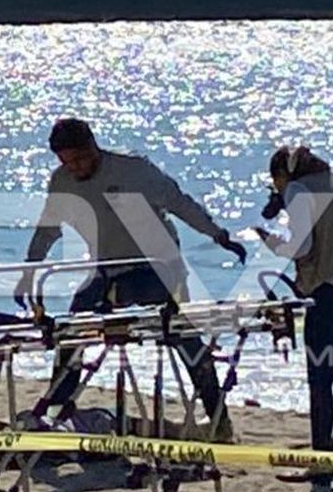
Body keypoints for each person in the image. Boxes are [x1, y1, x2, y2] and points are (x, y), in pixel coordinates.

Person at [16, 118, 247, 441]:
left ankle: (219, 419)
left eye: (81, 158)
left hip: (158, 267)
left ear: (94, 146)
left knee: (185, 339)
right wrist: (29, 272)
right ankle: (55, 409)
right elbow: (48, 229)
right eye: (68, 161)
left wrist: (218, 234)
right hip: (108, 268)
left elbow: (179, 202)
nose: (77, 167)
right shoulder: (62, 182)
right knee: (71, 328)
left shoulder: (133, 169)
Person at [255, 146, 333, 464]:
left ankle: (322, 458)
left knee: (321, 379)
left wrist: (271, 242)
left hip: (332, 295)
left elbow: (300, 247)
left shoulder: (298, 190)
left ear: (282, 175)